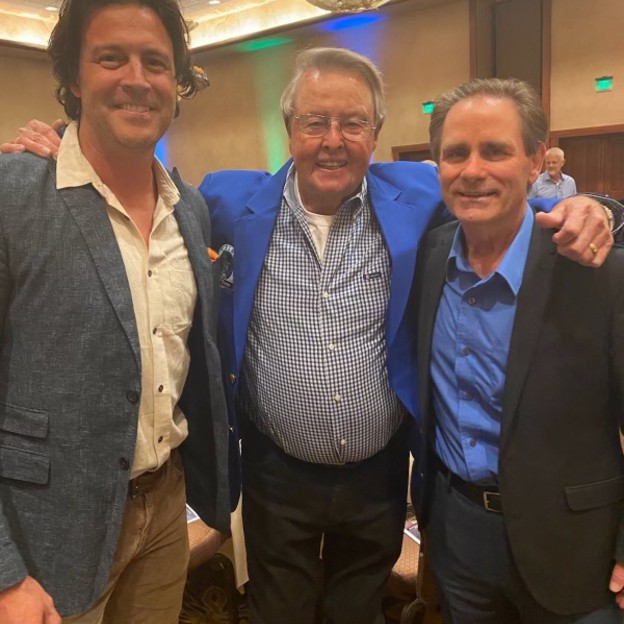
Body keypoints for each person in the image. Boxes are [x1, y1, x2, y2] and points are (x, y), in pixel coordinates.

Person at [2, 48, 616, 624]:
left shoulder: (419, 195)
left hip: (380, 472)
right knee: (279, 607)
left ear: (376, 133)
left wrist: (594, 207)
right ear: (289, 128)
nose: (333, 140)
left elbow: (498, 197)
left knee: (359, 606)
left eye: (353, 123)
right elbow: (141, 195)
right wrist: (64, 147)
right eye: (315, 121)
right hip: (276, 470)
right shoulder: (225, 200)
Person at [0, 1, 231, 623]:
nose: (136, 78)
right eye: (111, 57)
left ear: (176, 82)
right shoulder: (13, 194)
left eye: (155, 62)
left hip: (166, 509)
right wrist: (4, 575)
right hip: (47, 535)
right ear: (74, 78)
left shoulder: (190, 210)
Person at [414, 77, 624, 623]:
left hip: (575, 544)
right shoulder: (430, 255)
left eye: (495, 151)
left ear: (534, 162)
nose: (472, 170)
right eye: (455, 153)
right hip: (458, 533)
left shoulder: (599, 270)